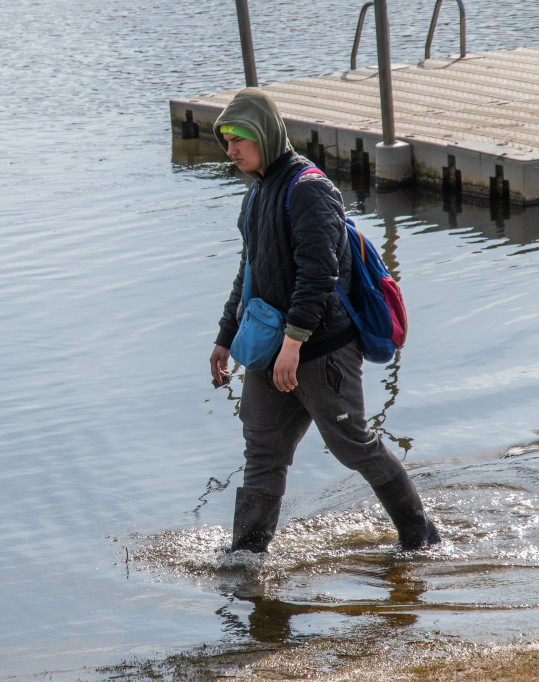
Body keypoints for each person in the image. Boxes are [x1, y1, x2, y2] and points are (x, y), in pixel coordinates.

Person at [207, 87, 440, 553]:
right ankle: (246, 557)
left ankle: (421, 539)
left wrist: (293, 344)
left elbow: (319, 275)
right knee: (263, 453)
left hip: (321, 350)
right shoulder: (255, 195)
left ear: (265, 134)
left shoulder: (310, 190)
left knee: (353, 445)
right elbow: (248, 272)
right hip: (271, 351)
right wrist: (224, 338)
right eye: (225, 139)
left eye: (238, 138)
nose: (230, 149)